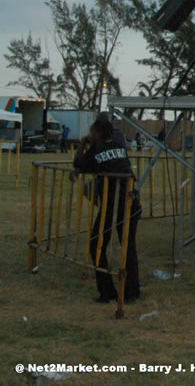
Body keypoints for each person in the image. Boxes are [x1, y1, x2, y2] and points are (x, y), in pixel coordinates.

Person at [70, 116, 141, 304]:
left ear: (98, 134)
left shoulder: (96, 149)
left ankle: (107, 290)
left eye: (92, 132)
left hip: (113, 203)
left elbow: (78, 164)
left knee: (97, 244)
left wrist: (83, 144)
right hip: (131, 200)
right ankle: (132, 291)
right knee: (128, 245)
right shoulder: (118, 143)